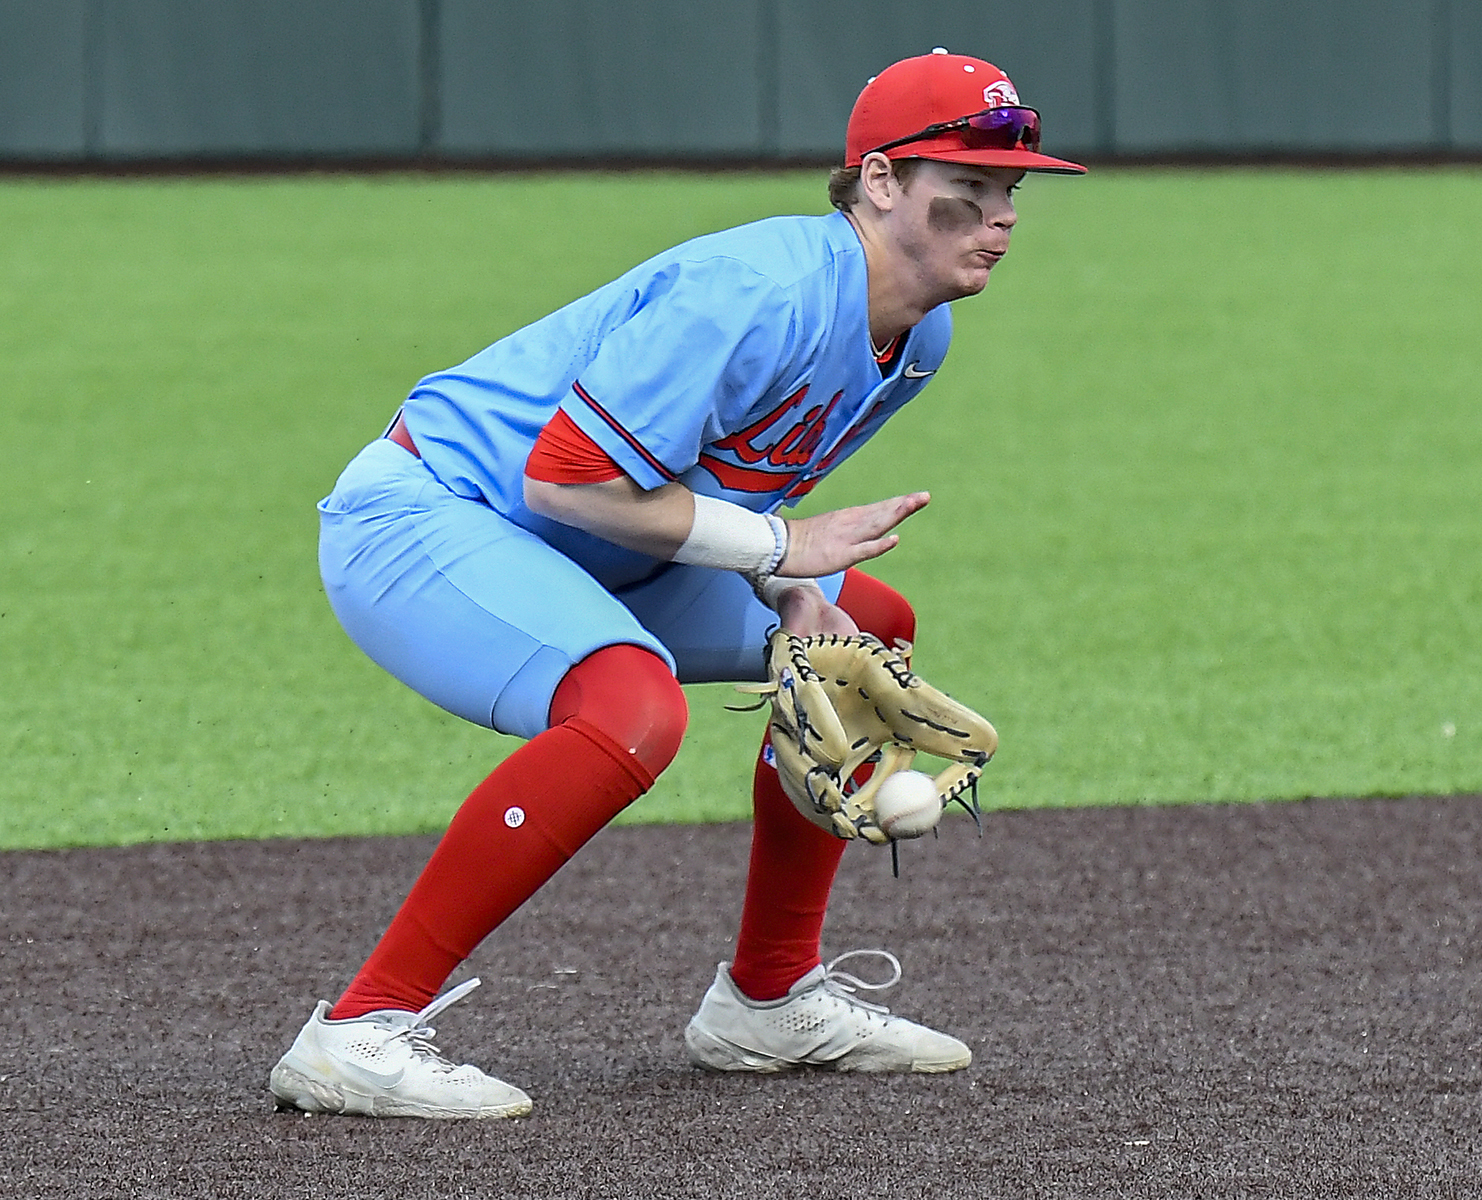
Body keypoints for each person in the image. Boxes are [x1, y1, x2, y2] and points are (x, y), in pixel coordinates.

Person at [268, 48, 1085, 1119]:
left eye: (1009, 189)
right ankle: (358, 1029)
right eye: (967, 187)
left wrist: (791, 589)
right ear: (880, 181)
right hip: (431, 516)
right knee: (630, 706)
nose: (1001, 216)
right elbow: (566, 480)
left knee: (858, 633)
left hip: (591, 538)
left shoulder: (917, 334)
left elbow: (723, 490)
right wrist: (779, 550)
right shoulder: (757, 292)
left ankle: (768, 1000)